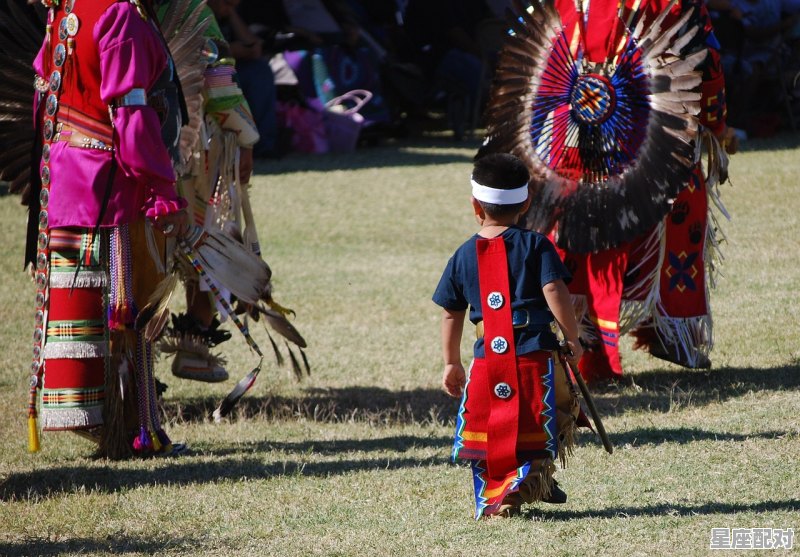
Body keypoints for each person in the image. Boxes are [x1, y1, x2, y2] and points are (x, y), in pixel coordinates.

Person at [477, 0, 736, 382]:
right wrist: (716, 123)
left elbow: (540, 47)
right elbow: (703, 57)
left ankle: (584, 344)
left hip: (570, 139)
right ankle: (672, 332)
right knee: (677, 208)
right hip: (649, 138)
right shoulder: (668, 3)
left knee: (572, 235)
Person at [26, 0, 188, 459]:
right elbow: (130, 116)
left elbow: (46, 96)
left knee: (103, 311)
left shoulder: (67, 9)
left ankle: (123, 428)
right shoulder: (120, 14)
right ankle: (136, 433)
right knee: (125, 312)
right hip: (109, 183)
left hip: (65, 178)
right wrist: (163, 189)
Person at [433, 153, 584, 519]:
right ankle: (533, 481)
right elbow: (555, 292)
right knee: (553, 411)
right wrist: (572, 338)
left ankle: (502, 495)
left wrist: (451, 362)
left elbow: (451, 313)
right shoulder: (537, 245)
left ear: (475, 205)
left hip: (488, 359)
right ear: (527, 203)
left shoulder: (463, 254)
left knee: (491, 425)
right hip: (534, 352)